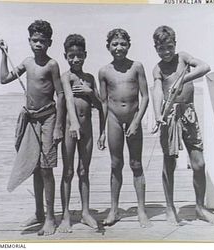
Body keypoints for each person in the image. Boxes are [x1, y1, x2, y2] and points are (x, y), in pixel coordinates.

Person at [0, 20, 80, 236]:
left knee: (46, 168)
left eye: (42, 41)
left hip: (48, 119)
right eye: (35, 40)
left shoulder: (52, 65)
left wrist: (59, 125)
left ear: (49, 43)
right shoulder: (27, 62)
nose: (38, 44)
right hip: (31, 120)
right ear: (29, 41)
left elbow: (60, 94)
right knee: (34, 166)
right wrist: (4, 53)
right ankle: (39, 212)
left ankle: (51, 217)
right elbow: (4, 79)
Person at [152, 25, 214, 225]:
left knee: (199, 163)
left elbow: (205, 67)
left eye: (169, 47)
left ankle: (200, 207)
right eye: (161, 48)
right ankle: (170, 208)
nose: (166, 52)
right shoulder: (157, 68)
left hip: (189, 114)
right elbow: (157, 90)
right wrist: (157, 115)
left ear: (175, 44)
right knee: (169, 162)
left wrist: (184, 79)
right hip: (169, 116)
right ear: (155, 48)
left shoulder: (182, 57)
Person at [98, 28, 151, 228]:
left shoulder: (137, 67)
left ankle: (141, 210)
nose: (119, 48)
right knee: (115, 164)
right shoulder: (104, 71)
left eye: (122, 44)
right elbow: (103, 102)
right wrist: (102, 131)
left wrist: (137, 121)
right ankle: (114, 209)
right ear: (108, 47)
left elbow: (145, 96)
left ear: (128, 46)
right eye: (114, 44)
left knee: (136, 164)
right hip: (113, 120)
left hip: (133, 119)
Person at [58, 34, 103, 233]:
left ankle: (85, 212)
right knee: (68, 171)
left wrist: (89, 91)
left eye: (79, 55)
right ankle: (66, 215)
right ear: (65, 56)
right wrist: (73, 124)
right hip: (70, 129)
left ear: (85, 55)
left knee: (84, 171)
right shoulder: (65, 77)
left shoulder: (90, 78)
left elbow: (100, 105)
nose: (75, 59)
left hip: (87, 130)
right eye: (71, 56)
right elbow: (68, 98)